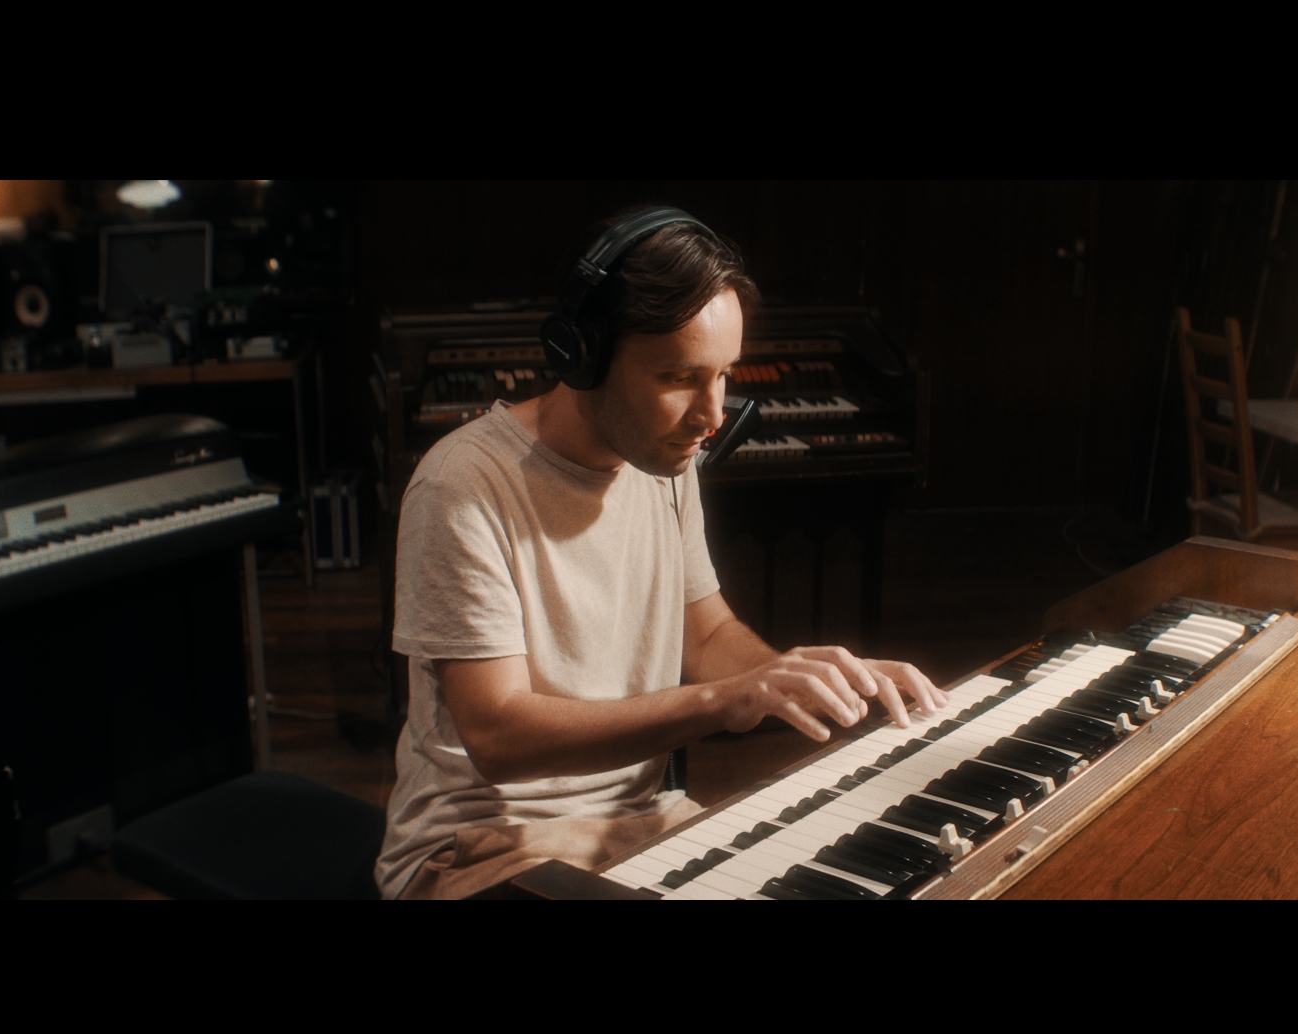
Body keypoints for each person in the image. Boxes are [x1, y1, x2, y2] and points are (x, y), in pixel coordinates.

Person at [377, 208, 948, 899]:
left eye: (724, 375)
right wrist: (721, 701)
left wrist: (797, 677)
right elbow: (498, 736)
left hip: (642, 823)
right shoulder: (462, 483)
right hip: (478, 850)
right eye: (679, 377)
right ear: (584, 356)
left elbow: (704, 633)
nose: (711, 416)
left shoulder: (665, 462)